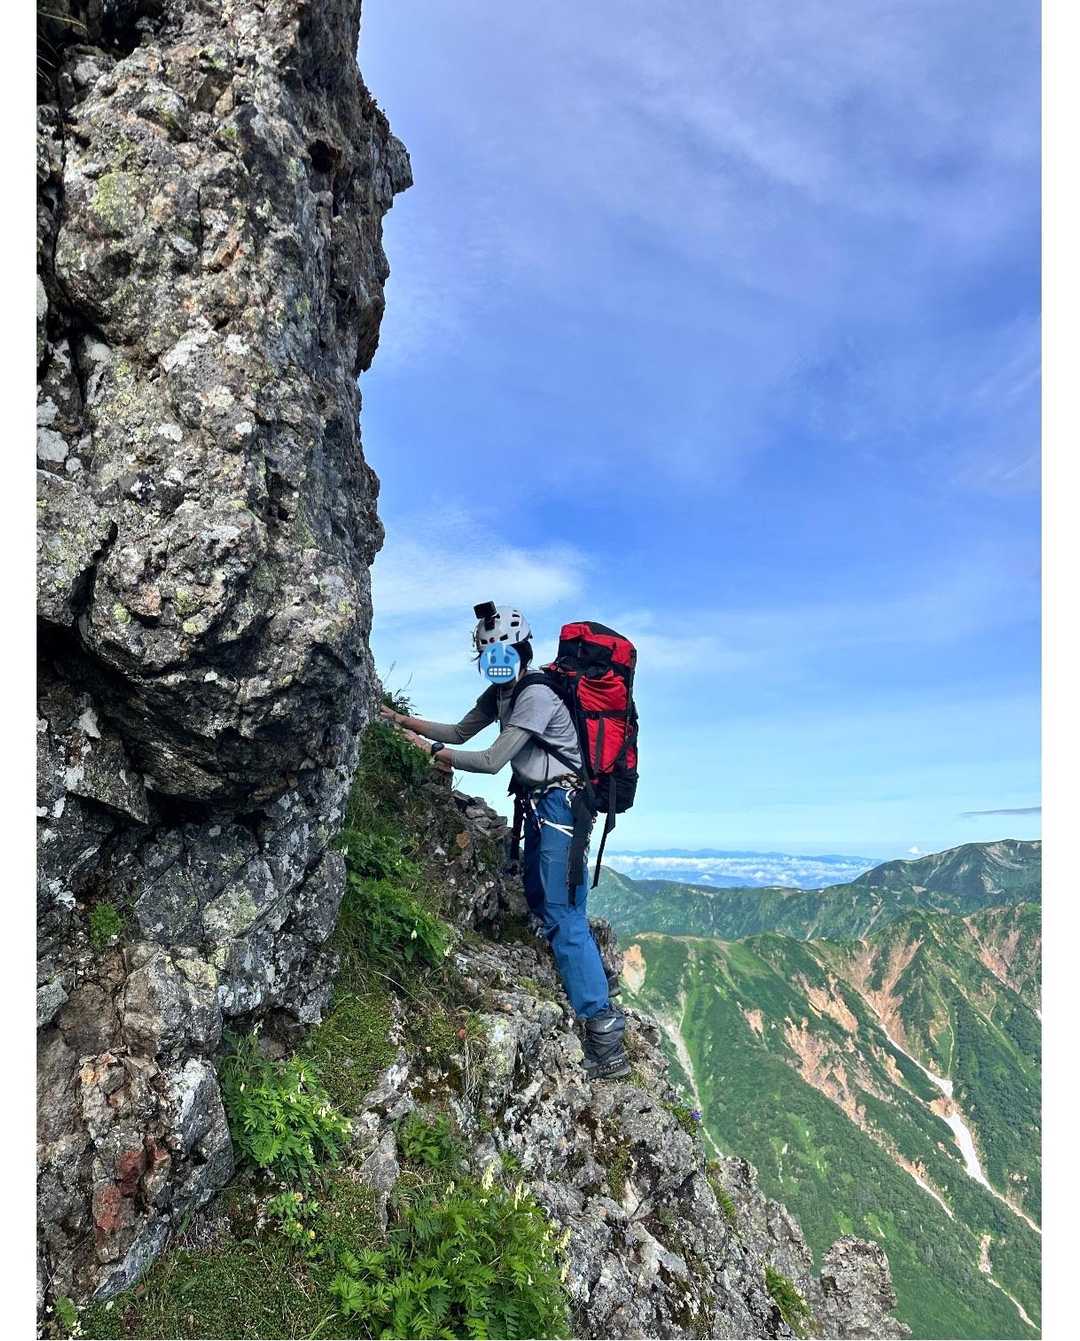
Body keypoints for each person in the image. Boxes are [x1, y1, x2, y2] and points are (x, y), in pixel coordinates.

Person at [381, 603, 631, 1080]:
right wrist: (404, 721)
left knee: (562, 911)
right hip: (542, 805)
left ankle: (604, 1034)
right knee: (540, 896)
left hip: (562, 807)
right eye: (488, 655)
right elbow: (460, 731)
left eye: (499, 652)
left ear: (518, 650)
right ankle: (588, 974)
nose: (493, 661)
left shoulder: (534, 694)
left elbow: (492, 760)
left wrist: (432, 752)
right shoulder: (502, 693)